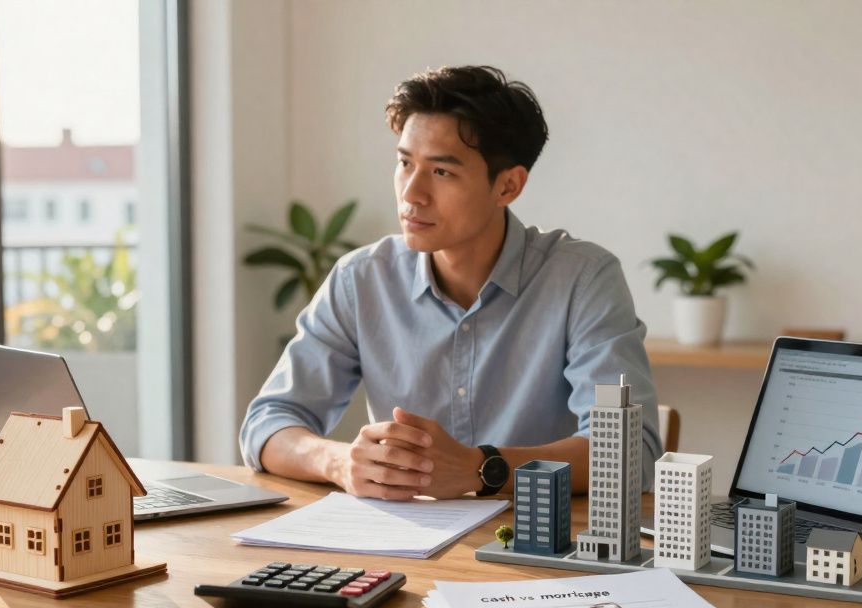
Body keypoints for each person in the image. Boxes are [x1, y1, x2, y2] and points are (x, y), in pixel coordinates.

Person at [239, 65, 660, 500]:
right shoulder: (361, 279)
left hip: (535, 535)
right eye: (405, 163)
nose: (411, 194)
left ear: (508, 186)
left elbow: (630, 454)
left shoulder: (582, 280)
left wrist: (482, 468)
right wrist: (341, 462)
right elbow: (267, 424)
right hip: (402, 535)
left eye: (441, 172)